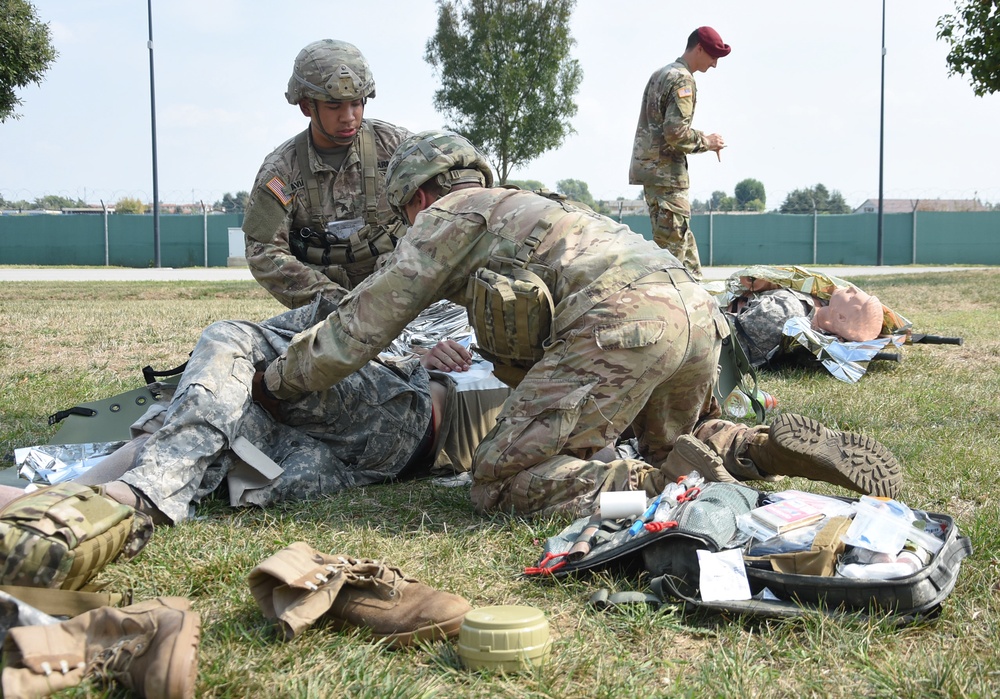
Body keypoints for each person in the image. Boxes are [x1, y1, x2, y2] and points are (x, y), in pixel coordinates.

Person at [255, 130, 902, 520]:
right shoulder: (536, 205)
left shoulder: (447, 218)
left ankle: (655, 487)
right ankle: (758, 448)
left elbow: (358, 328)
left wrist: (278, 380)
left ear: (420, 195)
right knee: (670, 438)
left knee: (498, 482)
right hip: (694, 309)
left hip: (620, 322)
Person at [0, 299, 495, 525]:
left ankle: (144, 491)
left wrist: (417, 364)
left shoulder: (500, 311)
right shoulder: (430, 295)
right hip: (365, 459)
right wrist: (419, 354)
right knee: (210, 440)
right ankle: (65, 504)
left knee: (229, 338)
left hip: (404, 413)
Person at [242, 39, 412, 310]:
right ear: (306, 106)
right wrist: (337, 304)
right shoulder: (281, 171)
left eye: (356, 103)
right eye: (334, 107)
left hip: (402, 294)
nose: (349, 117)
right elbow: (263, 251)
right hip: (325, 309)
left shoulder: (397, 148)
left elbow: (448, 207)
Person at [629, 26, 731, 280]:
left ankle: (700, 300)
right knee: (672, 261)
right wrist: (707, 141)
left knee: (684, 255)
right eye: (713, 56)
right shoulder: (682, 79)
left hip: (654, 174)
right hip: (667, 177)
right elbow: (675, 133)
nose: (715, 64)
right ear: (699, 48)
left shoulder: (660, 74)